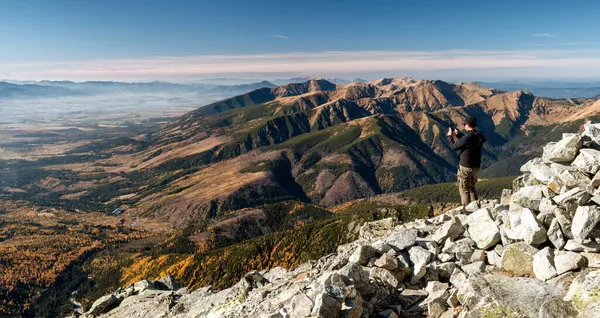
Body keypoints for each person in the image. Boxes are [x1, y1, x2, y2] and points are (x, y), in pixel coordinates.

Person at [446, 116, 486, 211]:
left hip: (465, 166)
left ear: (467, 125)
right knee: (472, 187)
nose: (464, 126)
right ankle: (476, 208)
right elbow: (470, 139)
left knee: (464, 188)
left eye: (464, 124)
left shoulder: (468, 137)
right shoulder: (480, 134)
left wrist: (449, 136)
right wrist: (459, 134)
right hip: (476, 166)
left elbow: (455, 147)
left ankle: (467, 210)